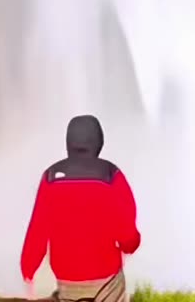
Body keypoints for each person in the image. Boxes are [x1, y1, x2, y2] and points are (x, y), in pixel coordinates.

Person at [20, 115, 140, 302]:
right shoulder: (111, 175)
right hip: (105, 278)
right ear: (99, 141)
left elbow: (37, 229)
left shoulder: (50, 177)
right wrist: (130, 245)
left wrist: (28, 269)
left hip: (66, 279)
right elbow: (127, 228)